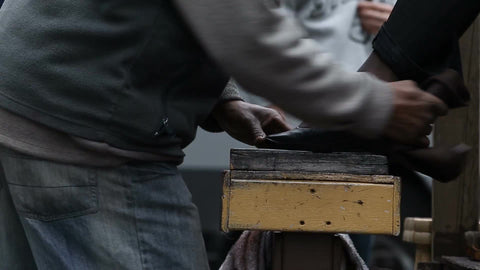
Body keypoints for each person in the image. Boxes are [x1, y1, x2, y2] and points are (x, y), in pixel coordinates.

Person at [0, 0, 445, 270]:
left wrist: (220, 99)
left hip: (23, 108)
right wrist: (377, 104)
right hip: (87, 134)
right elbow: (248, 39)